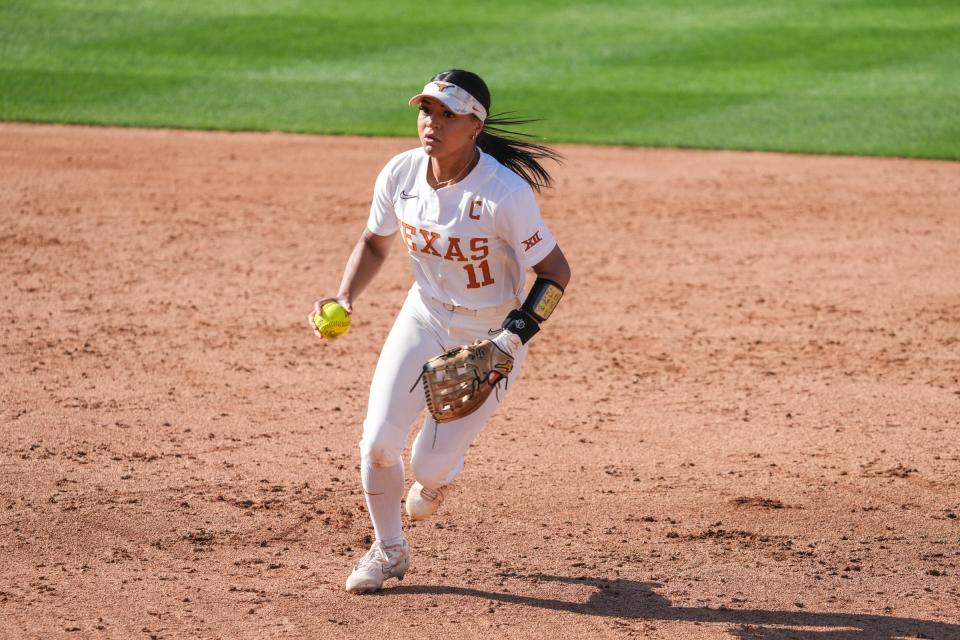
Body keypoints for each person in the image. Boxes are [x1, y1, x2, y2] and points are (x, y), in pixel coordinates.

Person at [310, 69, 571, 594]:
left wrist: (512, 337)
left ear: (475, 125)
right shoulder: (401, 173)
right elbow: (375, 242)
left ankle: (438, 479)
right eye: (427, 110)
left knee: (428, 466)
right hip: (424, 318)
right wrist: (344, 295)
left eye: (448, 114)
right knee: (378, 443)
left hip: (492, 339)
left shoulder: (504, 193)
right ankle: (388, 551)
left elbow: (555, 273)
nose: (432, 122)